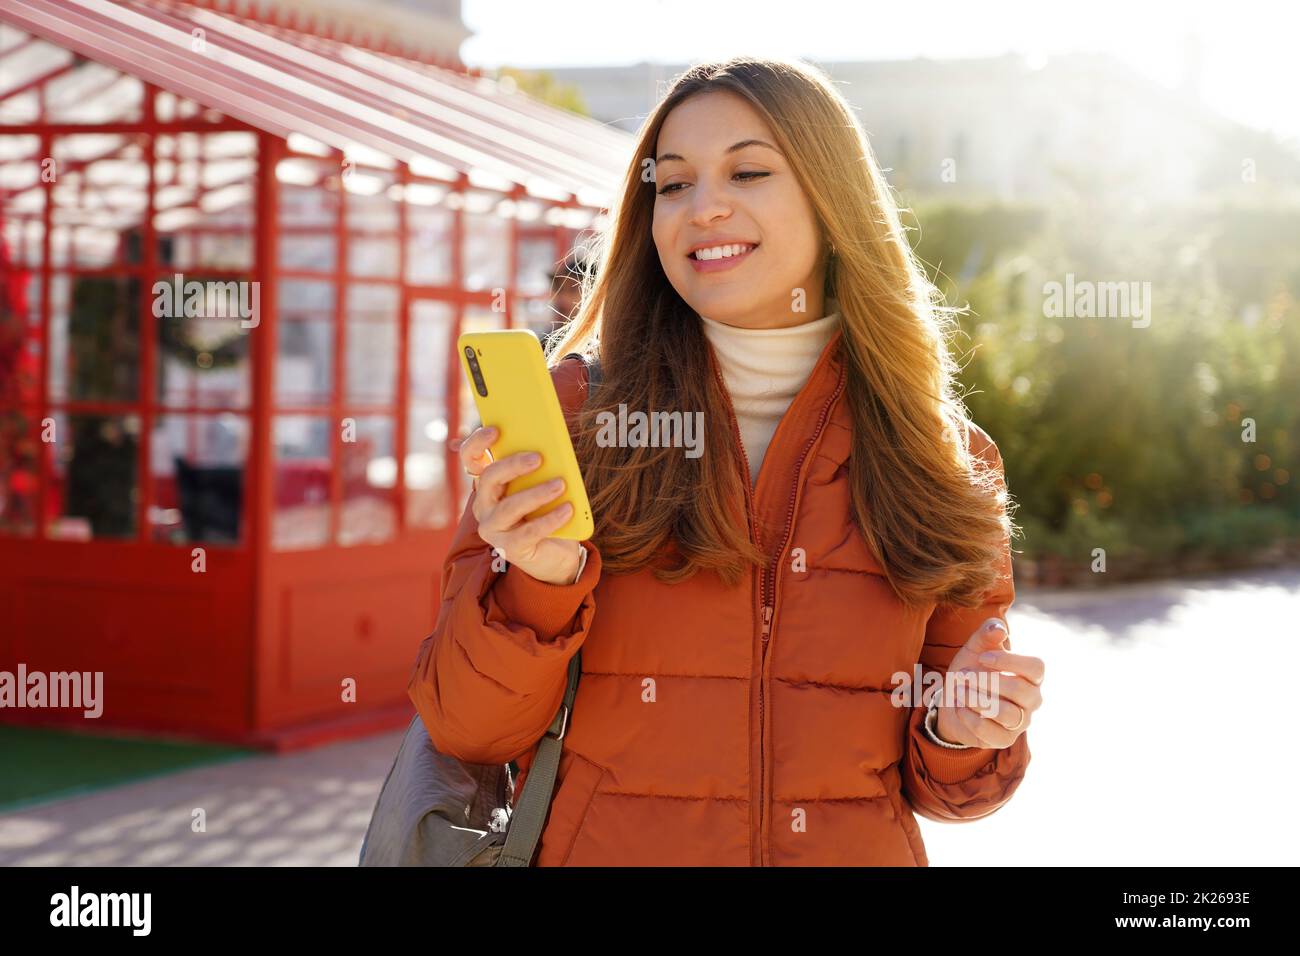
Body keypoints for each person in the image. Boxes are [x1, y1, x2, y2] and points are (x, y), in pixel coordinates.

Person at [410, 56, 1045, 866]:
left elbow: (955, 788)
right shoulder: (576, 417)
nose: (703, 207)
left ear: (831, 197)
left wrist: (959, 729)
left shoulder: (946, 456)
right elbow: (466, 728)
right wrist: (537, 581)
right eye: (672, 185)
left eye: (748, 171)